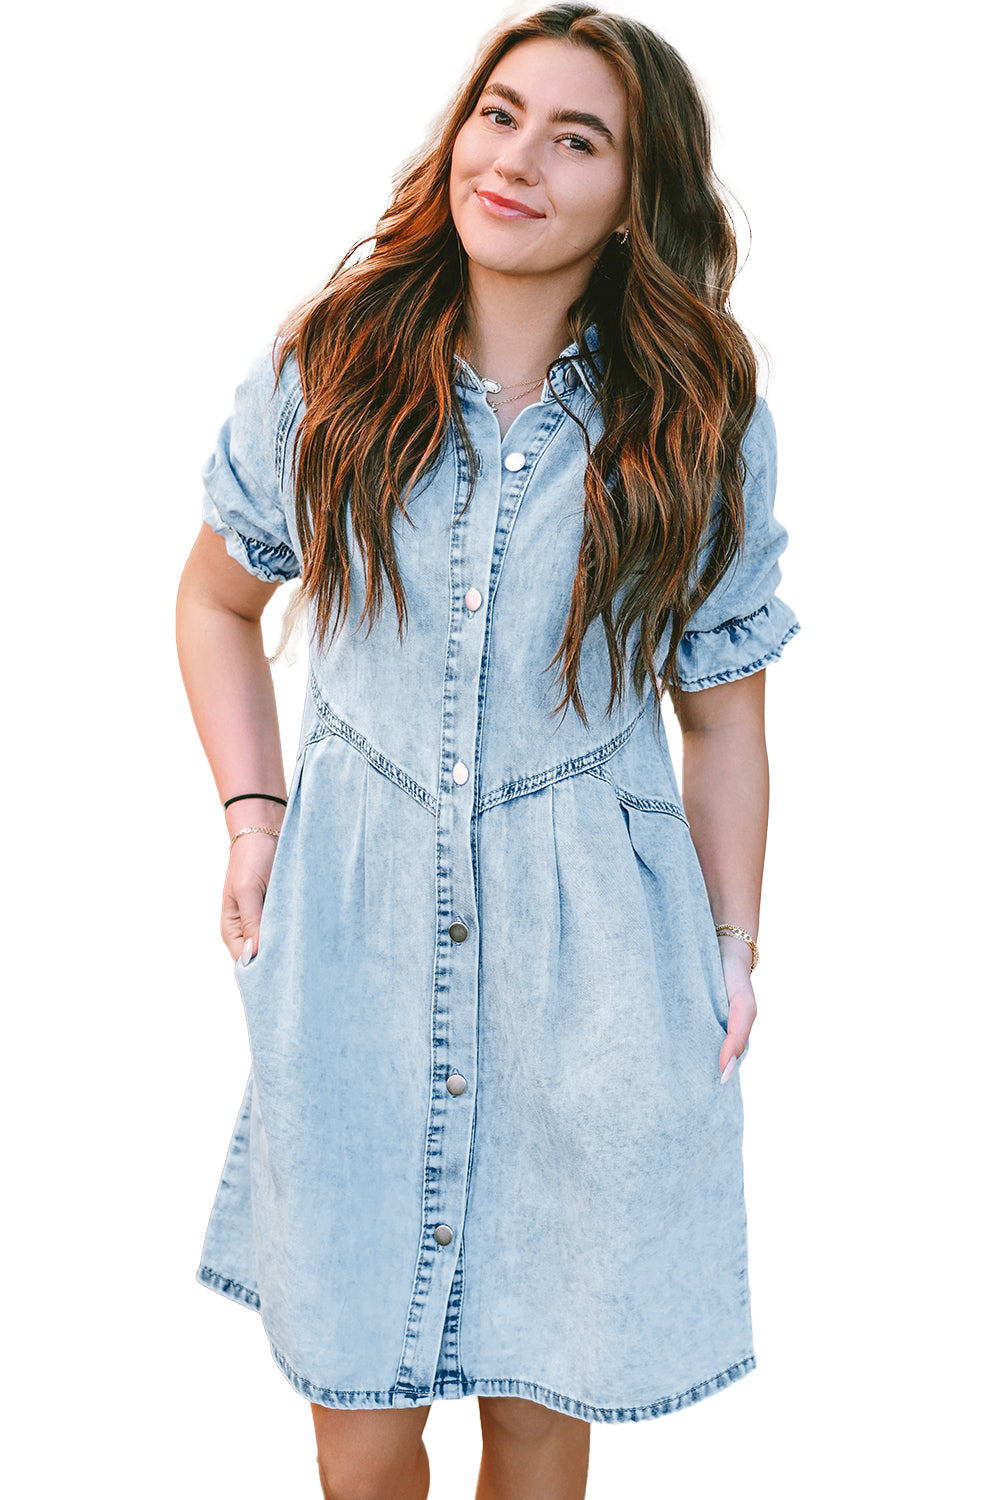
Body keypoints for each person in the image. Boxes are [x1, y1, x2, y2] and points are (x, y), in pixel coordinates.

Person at [175, 4, 800, 1496]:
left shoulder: (698, 416)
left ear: (632, 193)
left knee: (536, 1400)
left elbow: (722, 714)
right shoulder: (330, 366)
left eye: (573, 136)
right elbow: (213, 595)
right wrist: (255, 819)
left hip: (593, 953)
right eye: (498, 112)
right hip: (354, 933)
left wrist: (729, 943)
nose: (514, 157)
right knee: (360, 1403)